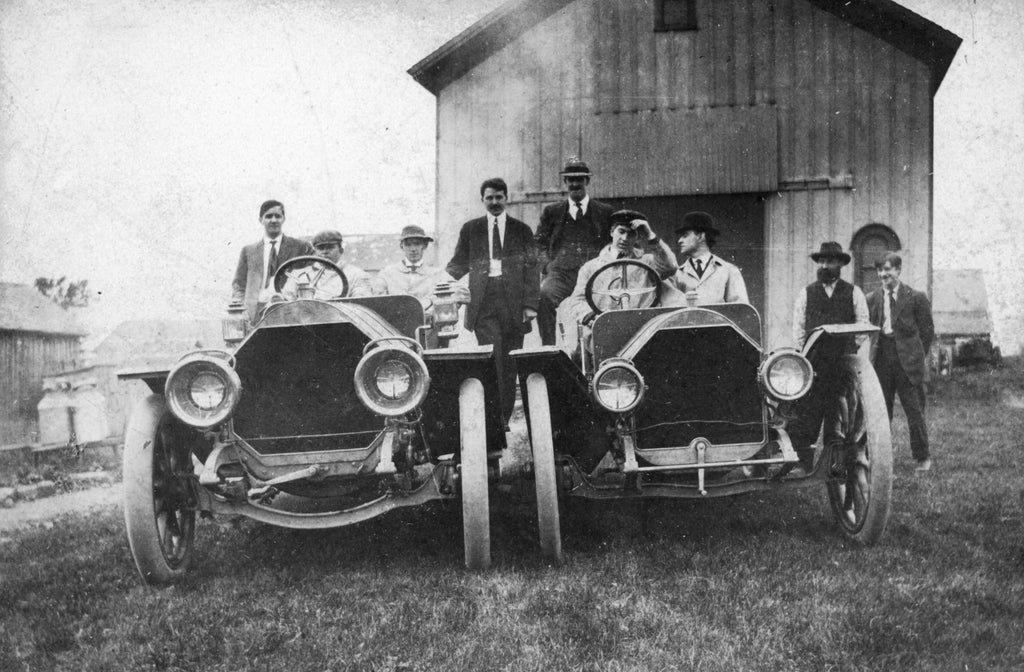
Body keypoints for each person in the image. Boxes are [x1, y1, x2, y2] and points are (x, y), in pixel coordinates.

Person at [445, 177, 540, 425]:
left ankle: (504, 419)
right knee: (492, 357)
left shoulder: (522, 230)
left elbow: (532, 268)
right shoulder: (471, 229)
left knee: (509, 363)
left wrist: (530, 304)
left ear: (506, 198)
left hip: (514, 303)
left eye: (499, 197)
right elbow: (457, 264)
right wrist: (442, 289)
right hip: (483, 300)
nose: (494, 202)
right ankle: (492, 418)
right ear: (482, 200)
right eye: (490, 198)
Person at [787, 241, 870, 476]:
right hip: (814, 365)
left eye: (830, 261)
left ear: (840, 264)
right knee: (807, 415)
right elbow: (799, 331)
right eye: (822, 261)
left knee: (839, 418)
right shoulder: (807, 293)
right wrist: (802, 360)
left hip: (841, 366)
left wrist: (852, 352)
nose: (825, 265)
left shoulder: (854, 293)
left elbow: (863, 326)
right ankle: (803, 463)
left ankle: (836, 466)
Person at [534, 159, 615, 345]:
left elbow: (613, 242)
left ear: (587, 181)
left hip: (594, 276)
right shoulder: (552, 212)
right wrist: (547, 266)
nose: (575, 184)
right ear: (565, 182)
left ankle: (602, 349)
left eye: (579, 179)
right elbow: (538, 244)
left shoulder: (604, 211)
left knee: (605, 306)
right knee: (543, 296)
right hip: (561, 275)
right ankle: (549, 349)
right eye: (570, 179)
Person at [867, 252, 935, 472]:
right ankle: (880, 460)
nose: (883, 274)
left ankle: (922, 458)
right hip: (881, 363)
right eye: (880, 270)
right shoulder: (872, 298)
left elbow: (927, 332)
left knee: (914, 411)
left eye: (887, 269)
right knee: (880, 413)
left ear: (898, 270)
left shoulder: (916, 297)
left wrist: (916, 356)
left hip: (908, 364)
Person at [563, 209, 677, 331]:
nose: (625, 238)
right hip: (605, 331)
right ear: (612, 232)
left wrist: (651, 237)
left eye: (631, 234)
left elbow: (670, 267)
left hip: (642, 329)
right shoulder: (590, 267)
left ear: (637, 237)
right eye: (621, 232)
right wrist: (592, 317)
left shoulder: (648, 262)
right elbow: (578, 300)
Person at [231, 200, 314, 321]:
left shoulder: (300, 247)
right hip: (256, 313)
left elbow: (311, 276)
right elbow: (239, 285)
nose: (274, 220)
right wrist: (241, 310)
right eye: (269, 216)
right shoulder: (248, 251)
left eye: (278, 216)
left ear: (284, 219)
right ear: (261, 220)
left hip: (290, 310)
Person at [666, 211, 749, 305]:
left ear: (701, 236)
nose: (680, 241)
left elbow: (740, 311)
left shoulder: (729, 271)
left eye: (685, 235)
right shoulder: (677, 275)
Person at [374, 225, 456, 305]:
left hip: (427, 317)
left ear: (425, 246)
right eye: (408, 244)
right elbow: (376, 298)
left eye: (417, 244)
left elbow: (461, 292)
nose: (413, 249)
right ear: (402, 246)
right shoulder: (387, 274)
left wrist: (431, 301)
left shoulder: (437, 274)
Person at [307, 230, 374, 297]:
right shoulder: (305, 275)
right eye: (320, 248)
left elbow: (360, 302)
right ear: (315, 252)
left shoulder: (356, 275)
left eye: (330, 247)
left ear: (341, 250)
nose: (325, 252)